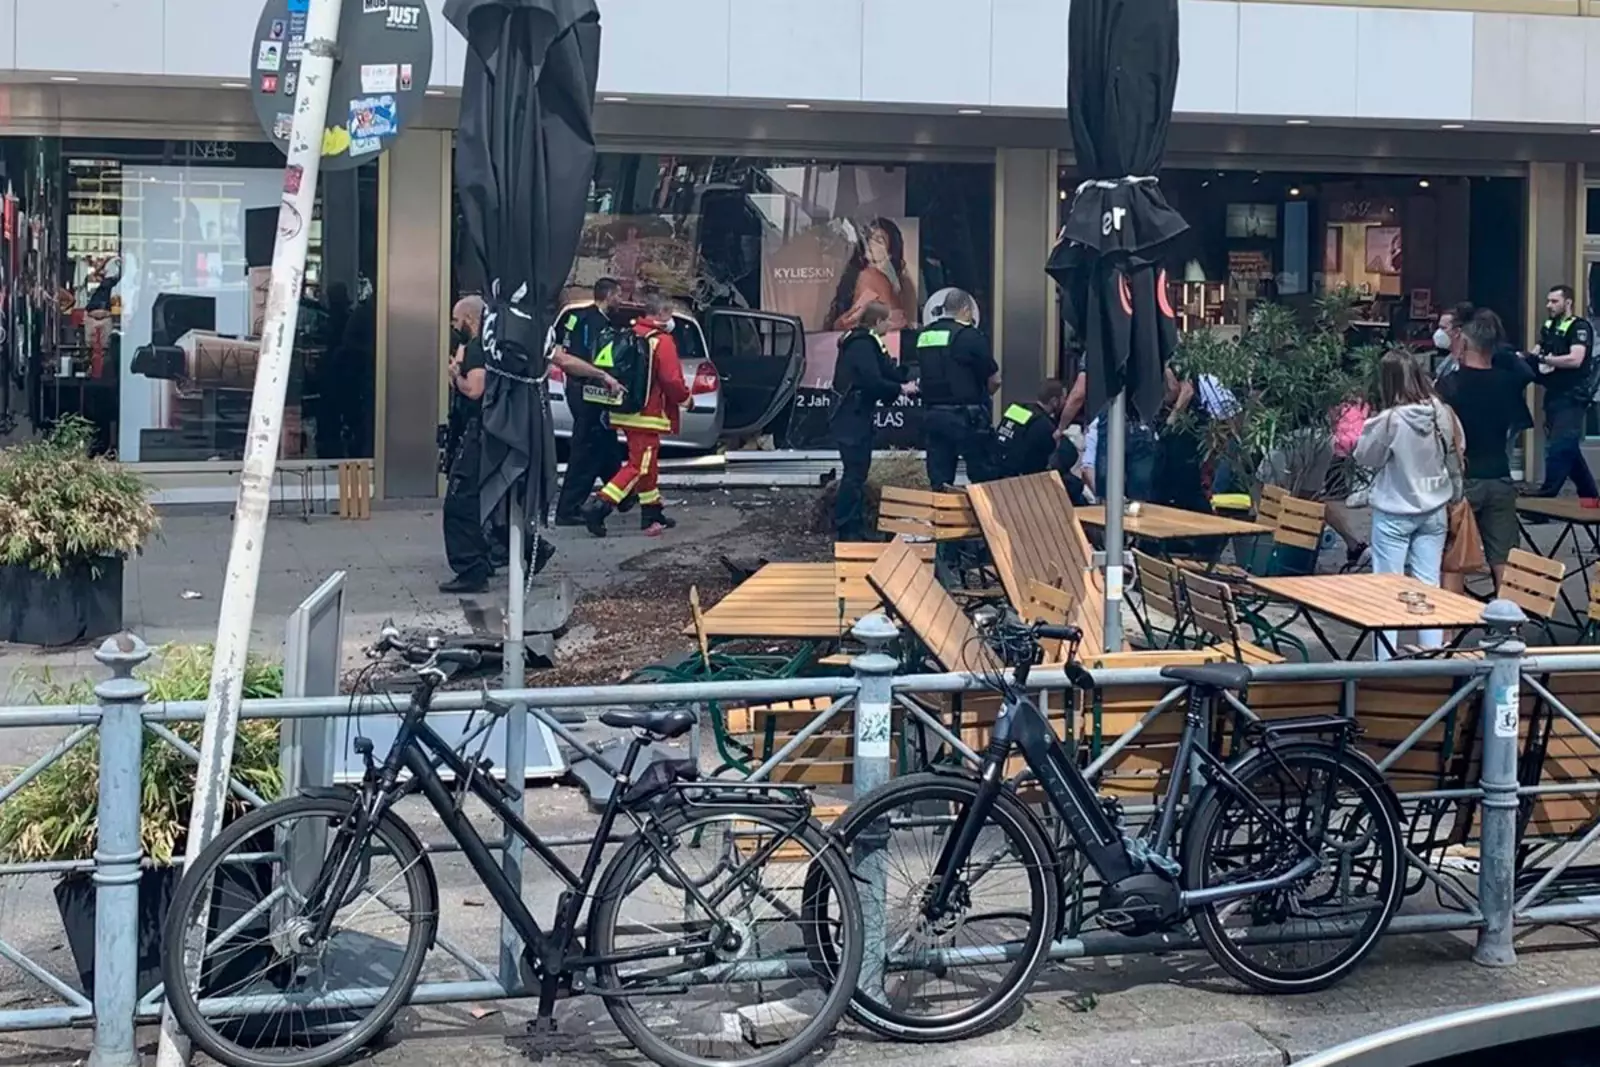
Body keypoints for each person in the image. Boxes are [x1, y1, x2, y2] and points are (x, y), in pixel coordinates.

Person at [1352, 351, 1462, 659]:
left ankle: (1386, 660)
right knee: (1428, 586)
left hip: (1395, 511)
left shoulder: (1389, 420)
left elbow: (1365, 456)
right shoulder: (1442, 412)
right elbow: (1458, 446)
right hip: (1435, 509)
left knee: (1387, 587)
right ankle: (1432, 654)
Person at [1438, 310, 1535, 591]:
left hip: (1463, 480)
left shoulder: (1450, 385)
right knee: (1504, 556)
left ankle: (1450, 619)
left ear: (1464, 343)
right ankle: (1508, 616)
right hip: (1500, 475)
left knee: (1455, 558)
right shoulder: (1507, 383)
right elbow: (1524, 372)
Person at [580, 291, 690, 538]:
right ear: (662, 313)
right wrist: (686, 399)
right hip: (648, 413)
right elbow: (672, 380)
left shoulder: (633, 333)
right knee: (639, 466)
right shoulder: (661, 341)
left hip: (626, 409)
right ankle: (599, 506)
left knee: (647, 465)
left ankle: (652, 513)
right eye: (670, 313)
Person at [830, 301, 917, 540]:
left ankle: (855, 526)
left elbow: (886, 370)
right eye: (887, 321)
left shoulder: (867, 342)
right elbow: (872, 380)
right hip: (851, 416)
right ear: (877, 322)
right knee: (855, 472)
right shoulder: (862, 344)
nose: (890, 325)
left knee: (858, 471)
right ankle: (846, 528)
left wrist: (907, 376)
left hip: (856, 415)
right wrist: (900, 389)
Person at [554, 278, 630, 526]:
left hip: (577, 387)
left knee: (605, 441)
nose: (621, 301)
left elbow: (564, 345)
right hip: (590, 390)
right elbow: (599, 358)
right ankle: (568, 509)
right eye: (618, 295)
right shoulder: (599, 325)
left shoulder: (576, 317)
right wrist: (610, 378)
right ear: (608, 296)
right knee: (586, 448)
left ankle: (623, 495)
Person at [915, 288, 998, 488]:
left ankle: (941, 507)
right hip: (967, 417)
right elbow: (994, 380)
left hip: (934, 415)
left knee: (940, 479)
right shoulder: (971, 336)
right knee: (982, 477)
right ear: (965, 310)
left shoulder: (925, 336)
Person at [440, 296, 493, 593]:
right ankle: (493, 555)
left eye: (455, 320)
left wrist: (455, 376)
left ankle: (471, 568)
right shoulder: (485, 347)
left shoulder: (477, 349)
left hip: (476, 432)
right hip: (483, 432)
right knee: (484, 500)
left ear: (469, 319)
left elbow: (474, 389)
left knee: (460, 503)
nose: (453, 326)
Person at [1528, 284, 1598, 504]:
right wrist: (1527, 360)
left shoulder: (1579, 327)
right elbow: (1537, 351)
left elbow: (1576, 359)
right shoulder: (1550, 326)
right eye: (1548, 301)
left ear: (1568, 302)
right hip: (1554, 394)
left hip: (1573, 395)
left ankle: (1547, 493)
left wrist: (1545, 360)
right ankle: (1591, 499)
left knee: (1559, 445)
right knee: (1569, 450)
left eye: (1554, 301)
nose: (1549, 305)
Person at [827, 219, 918, 332]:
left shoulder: (880, 278)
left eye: (879, 240)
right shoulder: (869, 275)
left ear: (889, 252)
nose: (871, 243)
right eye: (869, 238)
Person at [995, 379, 1065, 478]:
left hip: (998, 466)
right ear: (1054, 401)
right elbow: (1051, 455)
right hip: (1021, 477)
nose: (1065, 402)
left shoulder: (1017, 409)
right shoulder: (1045, 425)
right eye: (1063, 398)